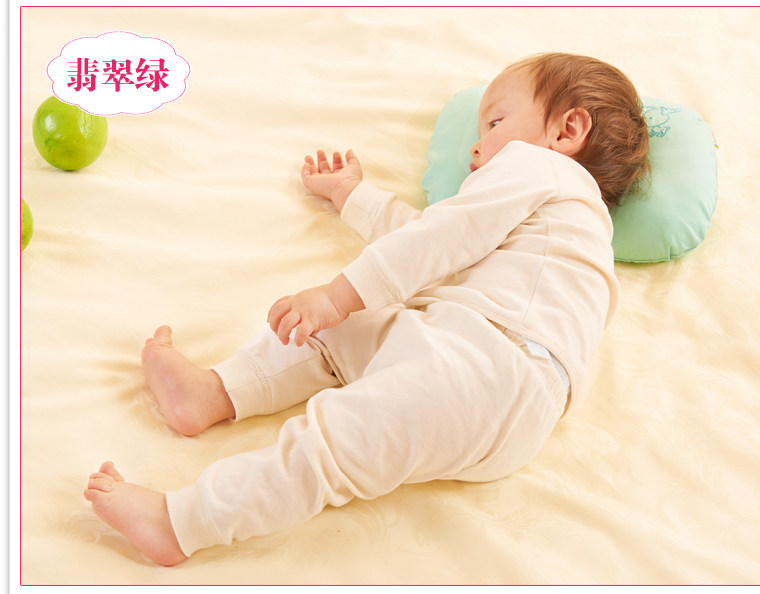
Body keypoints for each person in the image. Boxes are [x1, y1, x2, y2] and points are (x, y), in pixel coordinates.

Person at [84, 52, 650, 566]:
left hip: (489, 365)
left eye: (495, 122)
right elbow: (434, 244)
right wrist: (351, 195)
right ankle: (214, 392)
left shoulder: (543, 168)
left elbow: (440, 237)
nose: (476, 149)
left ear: (567, 130)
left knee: (333, 440)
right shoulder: (567, 234)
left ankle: (182, 523)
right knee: (348, 331)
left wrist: (335, 296)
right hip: (499, 392)